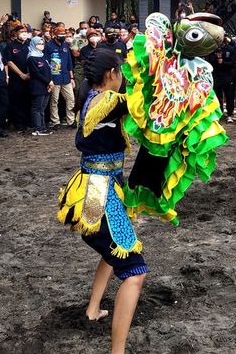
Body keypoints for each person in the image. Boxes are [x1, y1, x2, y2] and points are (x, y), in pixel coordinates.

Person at [57, 49, 147, 351]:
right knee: (135, 271)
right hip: (99, 191)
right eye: (121, 73)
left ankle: (93, 308)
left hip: (97, 186)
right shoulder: (107, 101)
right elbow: (143, 102)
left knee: (111, 251)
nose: (123, 78)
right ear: (111, 74)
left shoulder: (93, 98)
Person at [45, 26, 76, 128]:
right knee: (54, 100)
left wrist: (72, 78)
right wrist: (49, 80)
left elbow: (69, 63)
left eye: (64, 34)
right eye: (60, 34)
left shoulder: (65, 45)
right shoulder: (48, 46)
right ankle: (55, 122)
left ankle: (71, 121)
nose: (62, 36)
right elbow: (46, 63)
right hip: (54, 78)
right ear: (54, 34)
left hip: (66, 77)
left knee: (71, 99)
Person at [4, 23, 32, 133]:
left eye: (25, 32)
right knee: (17, 101)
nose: (24, 34)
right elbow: (9, 62)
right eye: (21, 32)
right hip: (16, 78)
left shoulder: (30, 44)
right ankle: (18, 124)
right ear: (16, 33)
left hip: (30, 77)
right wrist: (21, 74)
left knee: (28, 100)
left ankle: (28, 122)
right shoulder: (10, 46)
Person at [27, 36, 53, 136]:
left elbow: (48, 70)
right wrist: (48, 82)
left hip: (46, 86)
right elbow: (36, 73)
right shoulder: (31, 57)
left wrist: (50, 82)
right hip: (37, 86)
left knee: (42, 108)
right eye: (39, 44)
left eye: (42, 44)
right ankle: (37, 128)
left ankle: (42, 127)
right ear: (34, 44)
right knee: (37, 108)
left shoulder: (42, 56)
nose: (41, 46)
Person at [208, 37, 236, 124]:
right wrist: (216, 59)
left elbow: (233, 62)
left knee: (229, 96)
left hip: (228, 76)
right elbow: (210, 62)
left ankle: (230, 114)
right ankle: (219, 113)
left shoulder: (230, 49)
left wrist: (223, 62)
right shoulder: (213, 49)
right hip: (217, 76)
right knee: (217, 95)